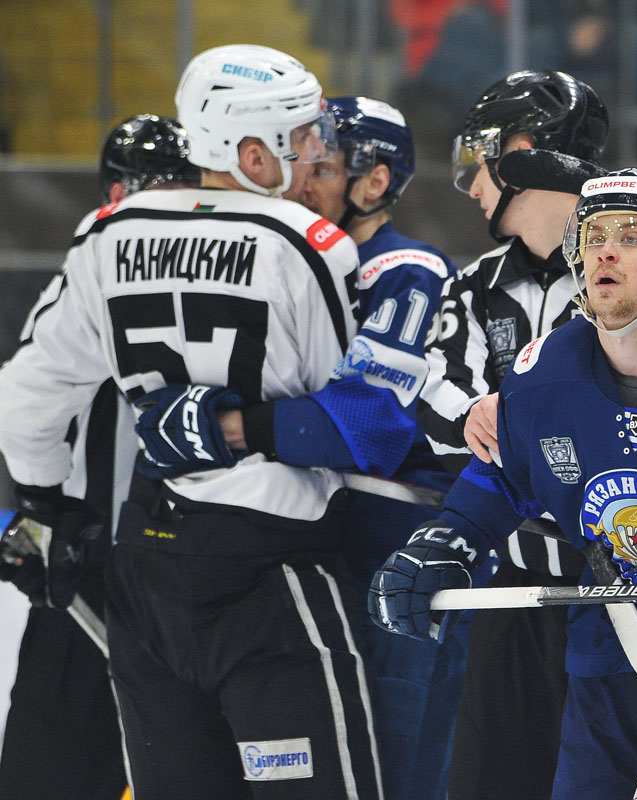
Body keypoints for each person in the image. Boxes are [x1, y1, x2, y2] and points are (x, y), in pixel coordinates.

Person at [0, 45, 383, 799]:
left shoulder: (106, 233)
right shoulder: (308, 243)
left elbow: (26, 394)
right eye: (301, 137)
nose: (316, 152)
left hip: (146, 566)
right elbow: (354, 422)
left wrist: (44, 502)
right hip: (272, 574)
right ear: (251, 153)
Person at [374, 168, 637, 800]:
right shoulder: (543, 371)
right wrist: (447, 541)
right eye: (594, 237)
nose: (605, 252)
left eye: (632, 237)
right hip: (602, 655)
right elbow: (504, 477)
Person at [130, 95, 460, 800]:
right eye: (301, 157)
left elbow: (363, 427)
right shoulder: (290, 255)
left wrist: (227, 428)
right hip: (314, 557)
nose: (300, 178)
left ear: (373, 183)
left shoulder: (403, 268)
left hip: (396, 562)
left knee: (390, 773)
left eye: (325, 167)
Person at [0, 113, 198, 800]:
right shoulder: (246, 262)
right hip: (146, 559)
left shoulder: (101, 260)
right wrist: (42, 512)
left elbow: (25, 402)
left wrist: (40, 506)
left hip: (119, 558)